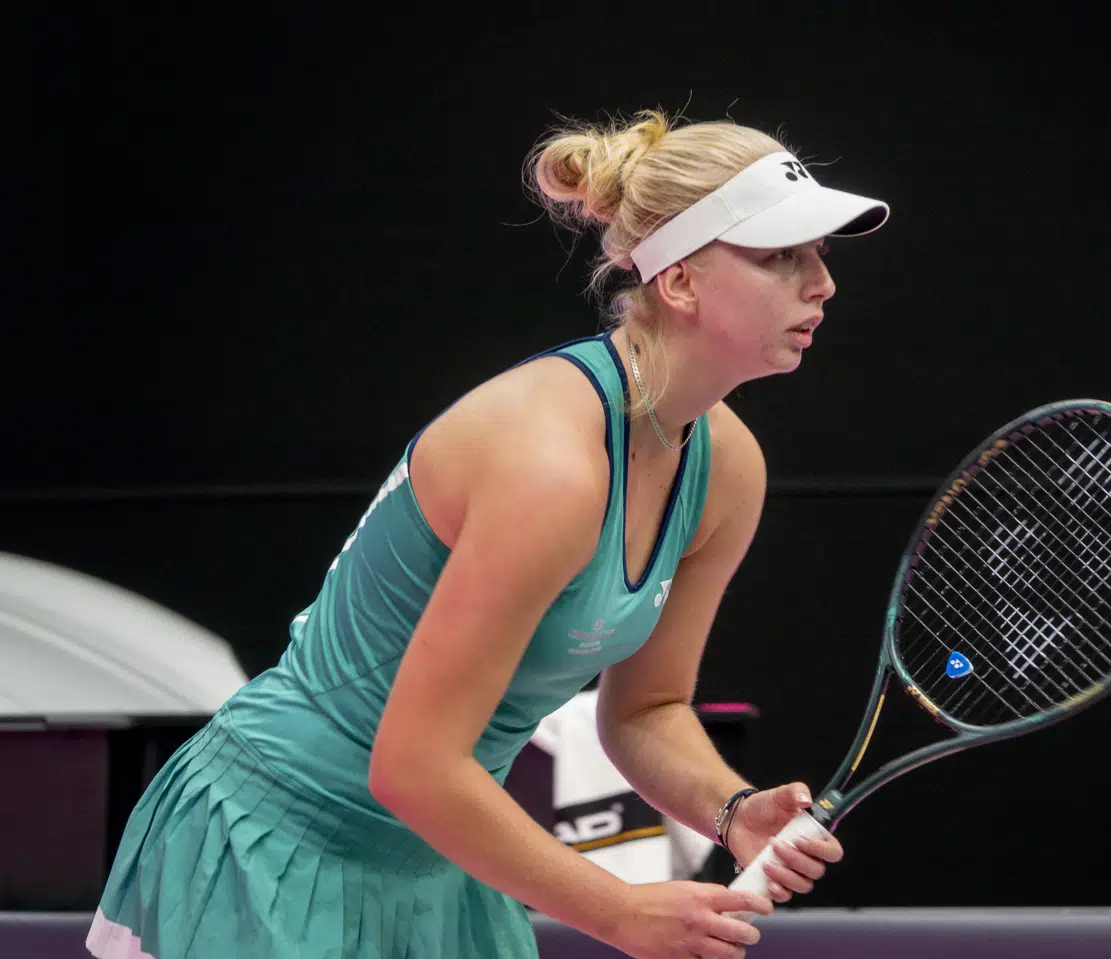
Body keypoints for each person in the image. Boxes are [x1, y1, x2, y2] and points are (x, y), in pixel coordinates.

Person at [85, 107, 890, 959]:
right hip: (270, 838)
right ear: (680, 282)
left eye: (820, 256)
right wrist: (619, 910)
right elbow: (412, 764)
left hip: (444, 854)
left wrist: (730, 812)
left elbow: (647, 708)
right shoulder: (551, 465)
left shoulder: (728, 466)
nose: (822, 285)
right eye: (780, 257)